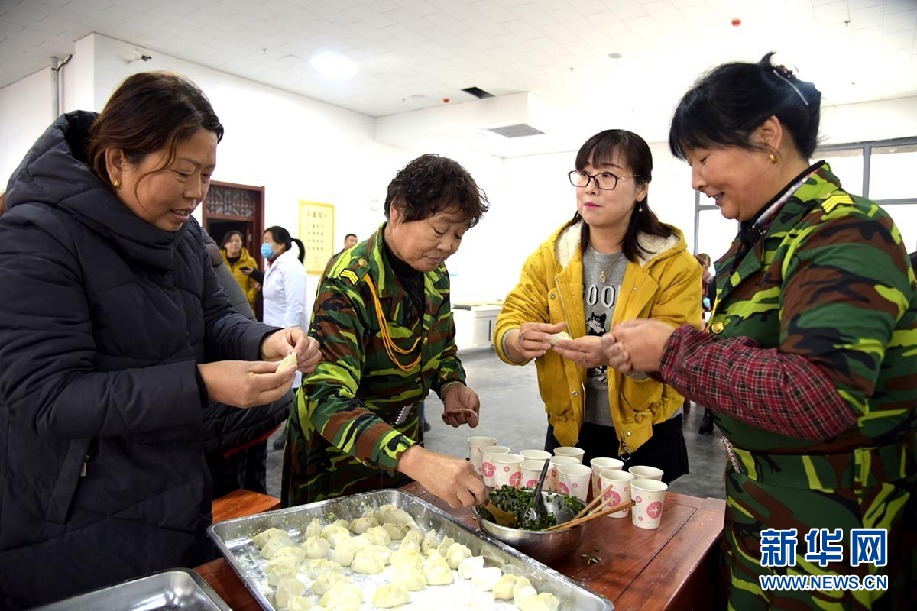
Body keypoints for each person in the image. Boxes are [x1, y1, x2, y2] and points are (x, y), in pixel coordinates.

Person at [0, 71, 321, 609]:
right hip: (70, 515)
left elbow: (217, 317)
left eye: (207, 174)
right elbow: (45, 396)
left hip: (173, 488)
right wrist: (200, 385)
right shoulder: (38, 236)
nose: (197, 193)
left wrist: (265, 340)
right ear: (116, 161)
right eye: (182, 172)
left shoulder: (183, 235)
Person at [606, 53, 916, 609]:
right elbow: (748, 359)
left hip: (836, 535)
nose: (698, 181)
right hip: (770, 512)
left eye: (703, 159)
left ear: (768, 135)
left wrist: (675, 350)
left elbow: (818, 395)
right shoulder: (763, 241)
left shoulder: (844, 231)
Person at [281, 154, 490, 508]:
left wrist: (451, 384)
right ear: (398, 211)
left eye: (459, 234)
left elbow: (441, 352)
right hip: (339, 457)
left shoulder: (434, 275)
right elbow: (326, 396)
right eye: (440, 230)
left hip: (402, 447)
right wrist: (415, 459)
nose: (449, 246)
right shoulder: (350, 281)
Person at [493, 129, 701, 483]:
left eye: (607, 176)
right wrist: (515, 339)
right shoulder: (552, 256)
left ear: (641, 188)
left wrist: (611, 351)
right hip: (569, 430)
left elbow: (678, 349)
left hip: (646, 432)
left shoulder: (673, 264)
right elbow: (514, 316)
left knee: (642, 535)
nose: (591, 187)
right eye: (585, 175)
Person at [202, 232, 292, 497]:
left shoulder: (190, 244)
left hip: (234, 405)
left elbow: (221, 316)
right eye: (230, 241)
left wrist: (267, 339)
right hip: (243, 395)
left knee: (238, 497)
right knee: (249, 486)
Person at [694, 252, 715, 434]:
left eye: (706, 267)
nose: (704, 270)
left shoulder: (710, 282)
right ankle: (708, 414)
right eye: (703, 266)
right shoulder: (693, 280)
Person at [220, 229, 260, 313]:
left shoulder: (249, 261)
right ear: (225, 244)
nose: (234, 243)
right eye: (230, 241)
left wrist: (248, 298)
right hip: (221, 306)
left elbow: (254, 285)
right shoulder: (218, 260)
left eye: (237, 241)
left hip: (243, 307)